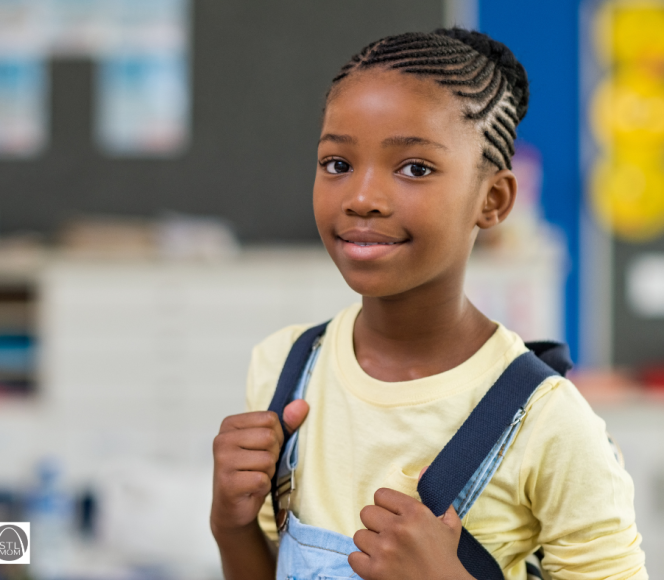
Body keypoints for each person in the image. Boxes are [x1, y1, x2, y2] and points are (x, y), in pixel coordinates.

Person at [210, 28, 647, 580]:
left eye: (414, 168)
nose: (362, 197)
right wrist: (231, 524)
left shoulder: (551, 424)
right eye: (337, 164)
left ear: (492, 200)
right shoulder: (285, 369)